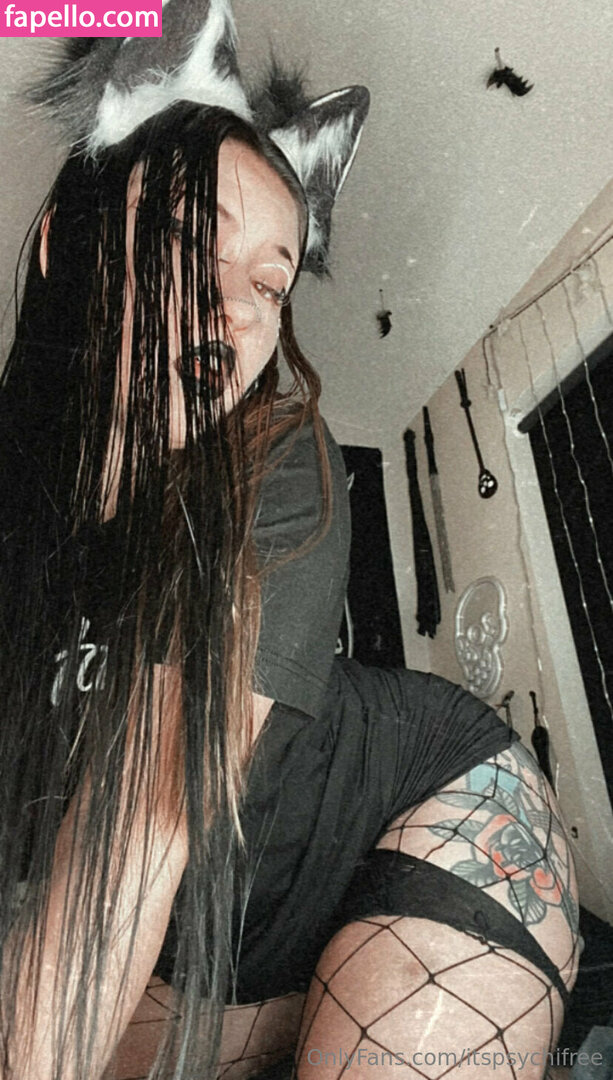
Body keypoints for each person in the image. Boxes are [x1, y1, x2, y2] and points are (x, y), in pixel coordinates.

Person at [0, 8, 580, 1080]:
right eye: (192, 242)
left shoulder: (276, 463)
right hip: (239, 949)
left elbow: (143, 826)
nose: (237, 309)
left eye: (270, 282)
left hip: (431, 807)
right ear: (57, 246)